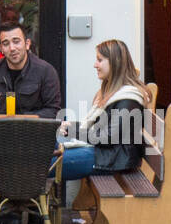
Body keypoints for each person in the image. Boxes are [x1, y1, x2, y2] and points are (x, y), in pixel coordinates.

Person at [56, 39, 148, 181]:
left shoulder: (129, 99)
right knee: (43, 151)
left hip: (112, 160)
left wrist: (73, 131)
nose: (95, 65)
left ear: (115, 62)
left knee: (43, 163)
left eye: (100, 60)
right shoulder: (117, 93)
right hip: (106, 155)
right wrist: (71, 127)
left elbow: (107, 137)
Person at [0, 20, 61, 118]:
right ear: (1, 49)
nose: (12, 48)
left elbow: (53, 110)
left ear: (27, 44)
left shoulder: (46, 71)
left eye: (16, 42)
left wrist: (22, 119)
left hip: (32, 130)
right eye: (6, 43)